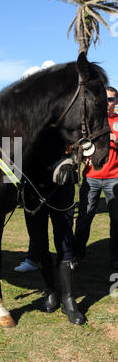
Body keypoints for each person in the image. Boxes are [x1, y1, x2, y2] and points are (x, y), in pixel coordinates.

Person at [15, 129, 85, 325]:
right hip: (32, 188)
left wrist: (73, 157)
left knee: (65, 243)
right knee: (39, 242)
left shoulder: (62, 113)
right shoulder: (25, 117)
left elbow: (81, 138)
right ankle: (51, 291)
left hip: (60, 185)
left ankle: (68, 301)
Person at [74, 86, 118, 269]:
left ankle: (115, 258)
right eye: (105, 99)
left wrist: (115, 140)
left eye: (111, 99)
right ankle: (77, 255)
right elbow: (79, 145)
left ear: (116, 102)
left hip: (114, 178)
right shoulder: (92, 122)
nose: (108, 103)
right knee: (84, 218)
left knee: (116, 220)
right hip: (91, 177)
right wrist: (82, 157)